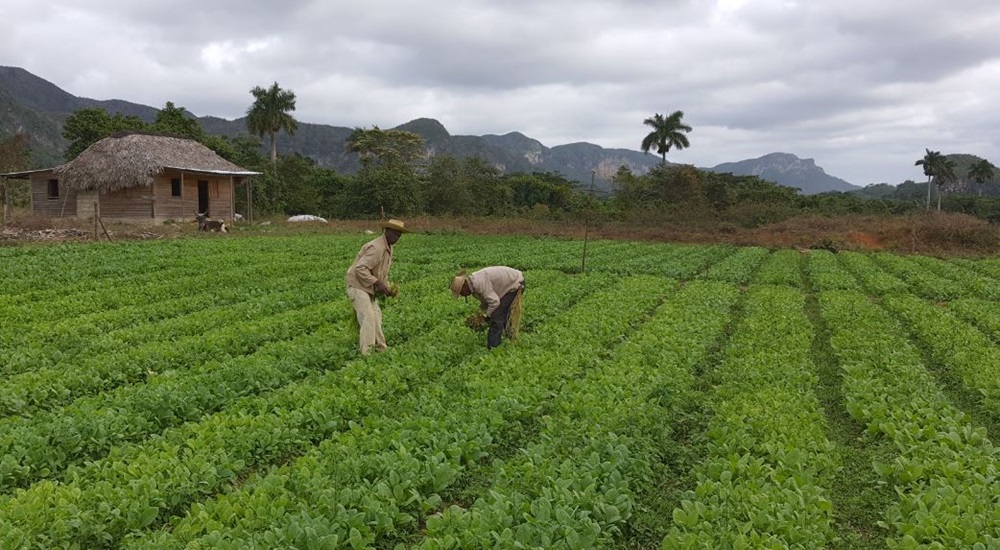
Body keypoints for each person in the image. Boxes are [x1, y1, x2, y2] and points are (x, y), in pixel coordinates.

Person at [346, 219, 408, 355]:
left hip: (369, 287)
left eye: (399, 235)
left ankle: (381, 349)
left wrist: (387, 287)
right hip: (357, 286)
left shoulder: (389, 248)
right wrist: (377, 283)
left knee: (376, 317)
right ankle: (366, 354)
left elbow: (382, 273)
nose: (397, 238)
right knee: (368, 318)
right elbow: (360, 268)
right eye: (394, 234)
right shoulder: (377, 248)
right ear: (386, 232)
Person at [451, 266, 525, 349]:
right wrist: (480, 313)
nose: (462, 295)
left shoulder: (479, 283)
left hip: (515, 283)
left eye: (461, 292)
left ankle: (493, 347)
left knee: (497, 317)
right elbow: (486, 302)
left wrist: (486, 316)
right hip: (508, 283)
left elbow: (494, 302)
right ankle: (511, 337)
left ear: (464, 286)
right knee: (502, 313)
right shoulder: (473, 286)